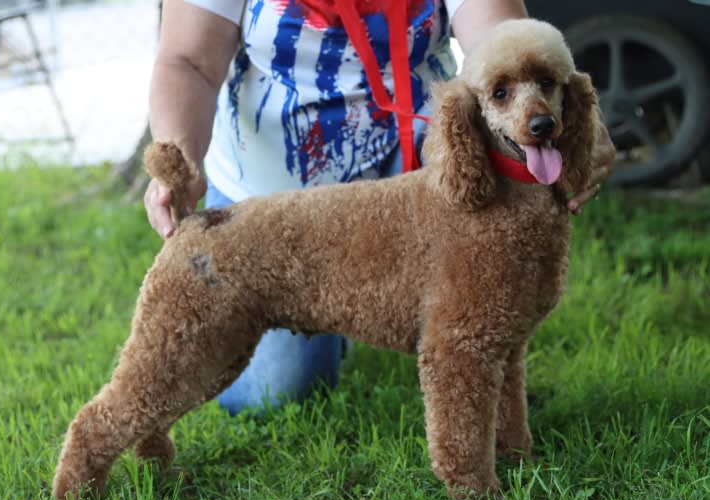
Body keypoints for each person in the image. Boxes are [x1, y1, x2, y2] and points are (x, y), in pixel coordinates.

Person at [144, 0, 616, 415]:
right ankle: (354, 310)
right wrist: (179, 151)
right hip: (270, 190)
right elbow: (187, 60)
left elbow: (501, 40)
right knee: (269, 397)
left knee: (480, 319)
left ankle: (413, 324)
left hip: (423, 167)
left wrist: (566, 115)